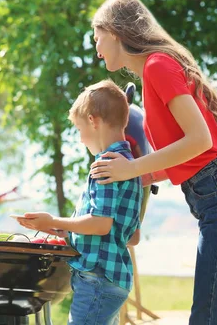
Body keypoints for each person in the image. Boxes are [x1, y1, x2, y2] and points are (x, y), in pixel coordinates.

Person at [89, 0, 217, 325]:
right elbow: (184, 157)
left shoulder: (157, 65)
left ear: (114, 32)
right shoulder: (152, 72)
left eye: (97, 35)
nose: (95, 45)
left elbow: (201, 141)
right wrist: (138, 176)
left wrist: (133, 167)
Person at [16, 79, 142, 325]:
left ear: (93, 121)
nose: (81, 139)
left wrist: (53, 219)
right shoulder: (131, 165)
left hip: (96, 279)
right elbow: (130, 235)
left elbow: (100, 224)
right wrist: (66, 229)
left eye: (79, 129)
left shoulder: (105, 164)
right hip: (114, 278)